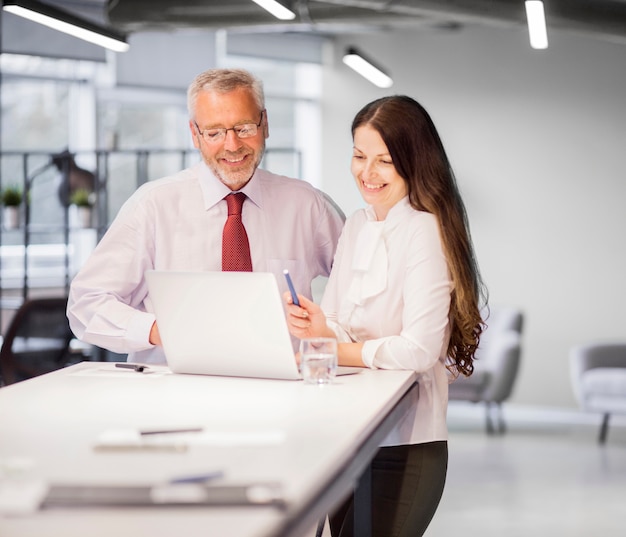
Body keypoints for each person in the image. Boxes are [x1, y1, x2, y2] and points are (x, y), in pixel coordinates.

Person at [284, 95, 487, 537]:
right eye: (359, 156)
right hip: (350, 434)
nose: (366, 173)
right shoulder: (357, 223)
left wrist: (336, 349)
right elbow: (336, 316)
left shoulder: (426, 230)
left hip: (406, 445)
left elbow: (418, 350)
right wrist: (319, 327)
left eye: (384, 161)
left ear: (414, 163)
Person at [67, 68, 345, 364]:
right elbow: (87, 304)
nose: (232, 145)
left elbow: (363, 285)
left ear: (265, 124)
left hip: (281, 390)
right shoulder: (154, 205)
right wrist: (162, 331)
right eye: (214, 132)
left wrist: (332, 330)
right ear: (195, 135)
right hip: (174, 393)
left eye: (245, 128)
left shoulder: (306, 204)